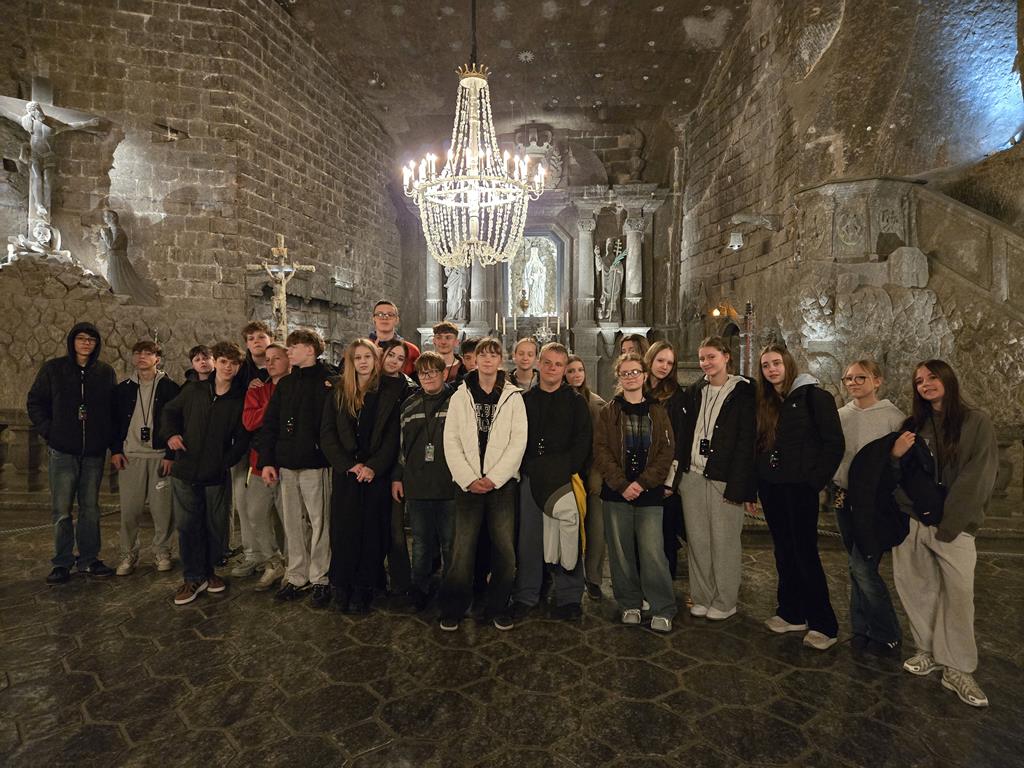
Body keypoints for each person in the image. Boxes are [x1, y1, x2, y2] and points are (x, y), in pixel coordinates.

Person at [890, 360, 997, 707]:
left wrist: (950, 524)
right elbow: (899, 472)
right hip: (914, 521)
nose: (926, 384)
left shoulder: (975, 422)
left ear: (948, 378)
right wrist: (895, 458)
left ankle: (958, 668)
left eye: (932, 377)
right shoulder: (912, 425)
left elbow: (977, 475)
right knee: (916, 588)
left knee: (959, 596)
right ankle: (928, 650)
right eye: (919, 381)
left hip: (955, 525)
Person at [754, 343, 844, 650]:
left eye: (776, 363)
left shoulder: (815, 397)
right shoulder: (766, 401)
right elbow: (760, 443)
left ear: (788, 364)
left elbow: (834, 443)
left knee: (805, 553)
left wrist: (814, 482)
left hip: (799, 487)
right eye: (766, 365)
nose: (771, 369)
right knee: (783, 550)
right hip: (772, 486)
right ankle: (791, 612)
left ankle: (823, 624)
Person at [439, 337, 527, 631]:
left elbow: (518, 442)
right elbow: (451, 441)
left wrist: (494, 478)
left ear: (501, 360)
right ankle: (454, 607)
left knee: (504, 549)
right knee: (462, 548)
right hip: (468, 484)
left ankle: (498, 606)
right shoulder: (460, 396)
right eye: (482, 355)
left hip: (502, 485)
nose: (488, 360)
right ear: (474, 360)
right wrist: (468, 478)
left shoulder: (513, 397)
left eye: (493, 355)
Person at [160, 341, 250, 605]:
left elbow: (243, 437)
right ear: (216, 363)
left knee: (214, 525)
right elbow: (170, 411)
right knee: (188, 526)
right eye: (223, 362)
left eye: (233, 363)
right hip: (185, 469)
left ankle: (208, 573)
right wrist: (171, 435)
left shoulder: (240, 399)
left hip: (215, 473)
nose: (228, 367)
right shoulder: (194, 390)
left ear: (238, 367)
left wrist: (225, 461)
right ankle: (192, 577)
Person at [27, 322, 118, 583]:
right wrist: (50, 431)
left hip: (93, 453)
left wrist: (109, 443)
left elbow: (112, 411)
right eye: (81, 338)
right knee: (62, 510)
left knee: (90, 508)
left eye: (91, 339)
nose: (86, 343)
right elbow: (35, 402)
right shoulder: (53, 369)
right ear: (72, 341)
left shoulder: (104, 372)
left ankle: (89, 559)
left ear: (96, 344)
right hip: (63, 451)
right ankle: (62, 562)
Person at [592, 353, 676, 632]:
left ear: (644, 376)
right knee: (621, 553)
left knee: (653, 552)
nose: (630, 377)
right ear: (619, 377)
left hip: (648, 492)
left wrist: (642, 483)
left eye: (635, 372)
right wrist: (622, 484)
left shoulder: (657, 411)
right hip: (616, 493)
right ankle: (629, 603)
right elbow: (601, 451)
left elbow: (666, 451)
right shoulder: (609, 412)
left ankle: (662, 607)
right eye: (625, 373)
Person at [676, 337, 756, 620]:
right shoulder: (695, 390)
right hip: (693, 475)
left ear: (726, 356)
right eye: (702, 358)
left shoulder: (743, 392)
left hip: (724, 476)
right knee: (698, 541)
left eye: (711, 356)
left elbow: (747, 442)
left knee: (724, 541)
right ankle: (702, 596)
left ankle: (724, 600)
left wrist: (742, 486)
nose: (706, 363)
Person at [321, 338, 404, 613]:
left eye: (367, 357)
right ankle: (342, 584)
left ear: (375, 360)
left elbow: (392, 436)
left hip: (374, 474)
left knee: (371, 531)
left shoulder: (387, 392)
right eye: (357, 358)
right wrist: (348, 465)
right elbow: (328, 434)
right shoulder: (338, 392)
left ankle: (364, 586)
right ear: (351, 362)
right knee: (344, 530)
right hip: (347, 473)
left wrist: (373, 467)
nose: (363, 362)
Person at [831, 360, 907, 655]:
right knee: (855, 565)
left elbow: (898, 463)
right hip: (844, 497)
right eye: (848, 378)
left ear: (877, 381)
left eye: (860, 377)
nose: (853, 383)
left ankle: (888, 632)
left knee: (862, 567)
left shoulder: (893, 417)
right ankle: (862, 629)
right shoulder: (841, 416)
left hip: (874, 502)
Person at [512, 343, 592, 621]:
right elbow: (515, 438)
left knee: (567, 536)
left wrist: (565, 468)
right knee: (529, 539)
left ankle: (569, 596)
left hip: (562, 479)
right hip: (531, 477)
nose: (552, 368)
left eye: (558, 364)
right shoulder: (523, 400)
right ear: (538, 364)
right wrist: (528, 467)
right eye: (547, 362)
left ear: (564, 369)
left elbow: (583, 440)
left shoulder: (576, 402)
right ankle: (526, 594)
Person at [258, 329, 334, 607]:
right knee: (293, 523)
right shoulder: (287, 383)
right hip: (288, 464)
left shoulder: (329, 380)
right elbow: (271, 423)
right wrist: (267, 460)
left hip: (316, 463)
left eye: (294, 347)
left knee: (320, 522)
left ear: (310, 349)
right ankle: (297, 575)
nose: (288, 352)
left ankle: (321, 577)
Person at [392, 352, 457, 611]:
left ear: (444, 373)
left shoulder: (457, 401)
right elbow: (400, 446)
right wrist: (398, 478)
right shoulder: (409, 405)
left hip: (449, 484)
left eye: (433, 372)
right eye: (423, 373)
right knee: (420, 543)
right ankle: (419, 589)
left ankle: (451, 589)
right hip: (418, 484)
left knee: (451, 543)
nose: (428, 377)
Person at [111, 340, 181, 576]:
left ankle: (162, 551)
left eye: (147, 353)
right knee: (129, 510)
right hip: (131, 456)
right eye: (138, 352)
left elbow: (177, 424)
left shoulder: (170, 388)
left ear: (157, 359)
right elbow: (114, 424)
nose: (142, 356)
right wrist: (116, 451)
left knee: (163, 511)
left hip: (160, 456)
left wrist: (171, 455)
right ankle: (128, 553)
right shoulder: (122, 390)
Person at [242, 343, 290, 592]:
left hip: (289, 465)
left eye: (276, 358)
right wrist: (274, 406)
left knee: (290, 520)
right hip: (259, 465)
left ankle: (293, 565)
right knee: (255, 514)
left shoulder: (296, 389)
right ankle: (273, 561)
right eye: (267, 359)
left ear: (289, 360)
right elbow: (249, 422)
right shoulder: (258, 390)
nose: (270, 363)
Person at [566, 354, 607, 600]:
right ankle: (567, 577)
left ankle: (593, 579)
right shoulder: (559, 400)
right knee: (568, 529)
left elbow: (603, 443)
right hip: (568, 472)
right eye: (571, 371)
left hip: (592, 473)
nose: (576, 375)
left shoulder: (597, 404)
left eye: (580, 370)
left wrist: (597, 475)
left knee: (595, 529)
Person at [645, 341, 687, 579]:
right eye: (660, 360)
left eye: (670, 363)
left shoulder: (676, 396)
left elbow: (680, 442)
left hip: (665, 477)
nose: (664, 366)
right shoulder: (639, 389)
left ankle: (665, 587)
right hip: (640, 475)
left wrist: (671, 481)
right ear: (650, 359)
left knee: (665, 535)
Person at [369, 300, 420, 376]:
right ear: (373, 319)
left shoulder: (412, 350)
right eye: (379, 314)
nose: (385, 317)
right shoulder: (362, 348)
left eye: (390, 314)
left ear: (397, 320)